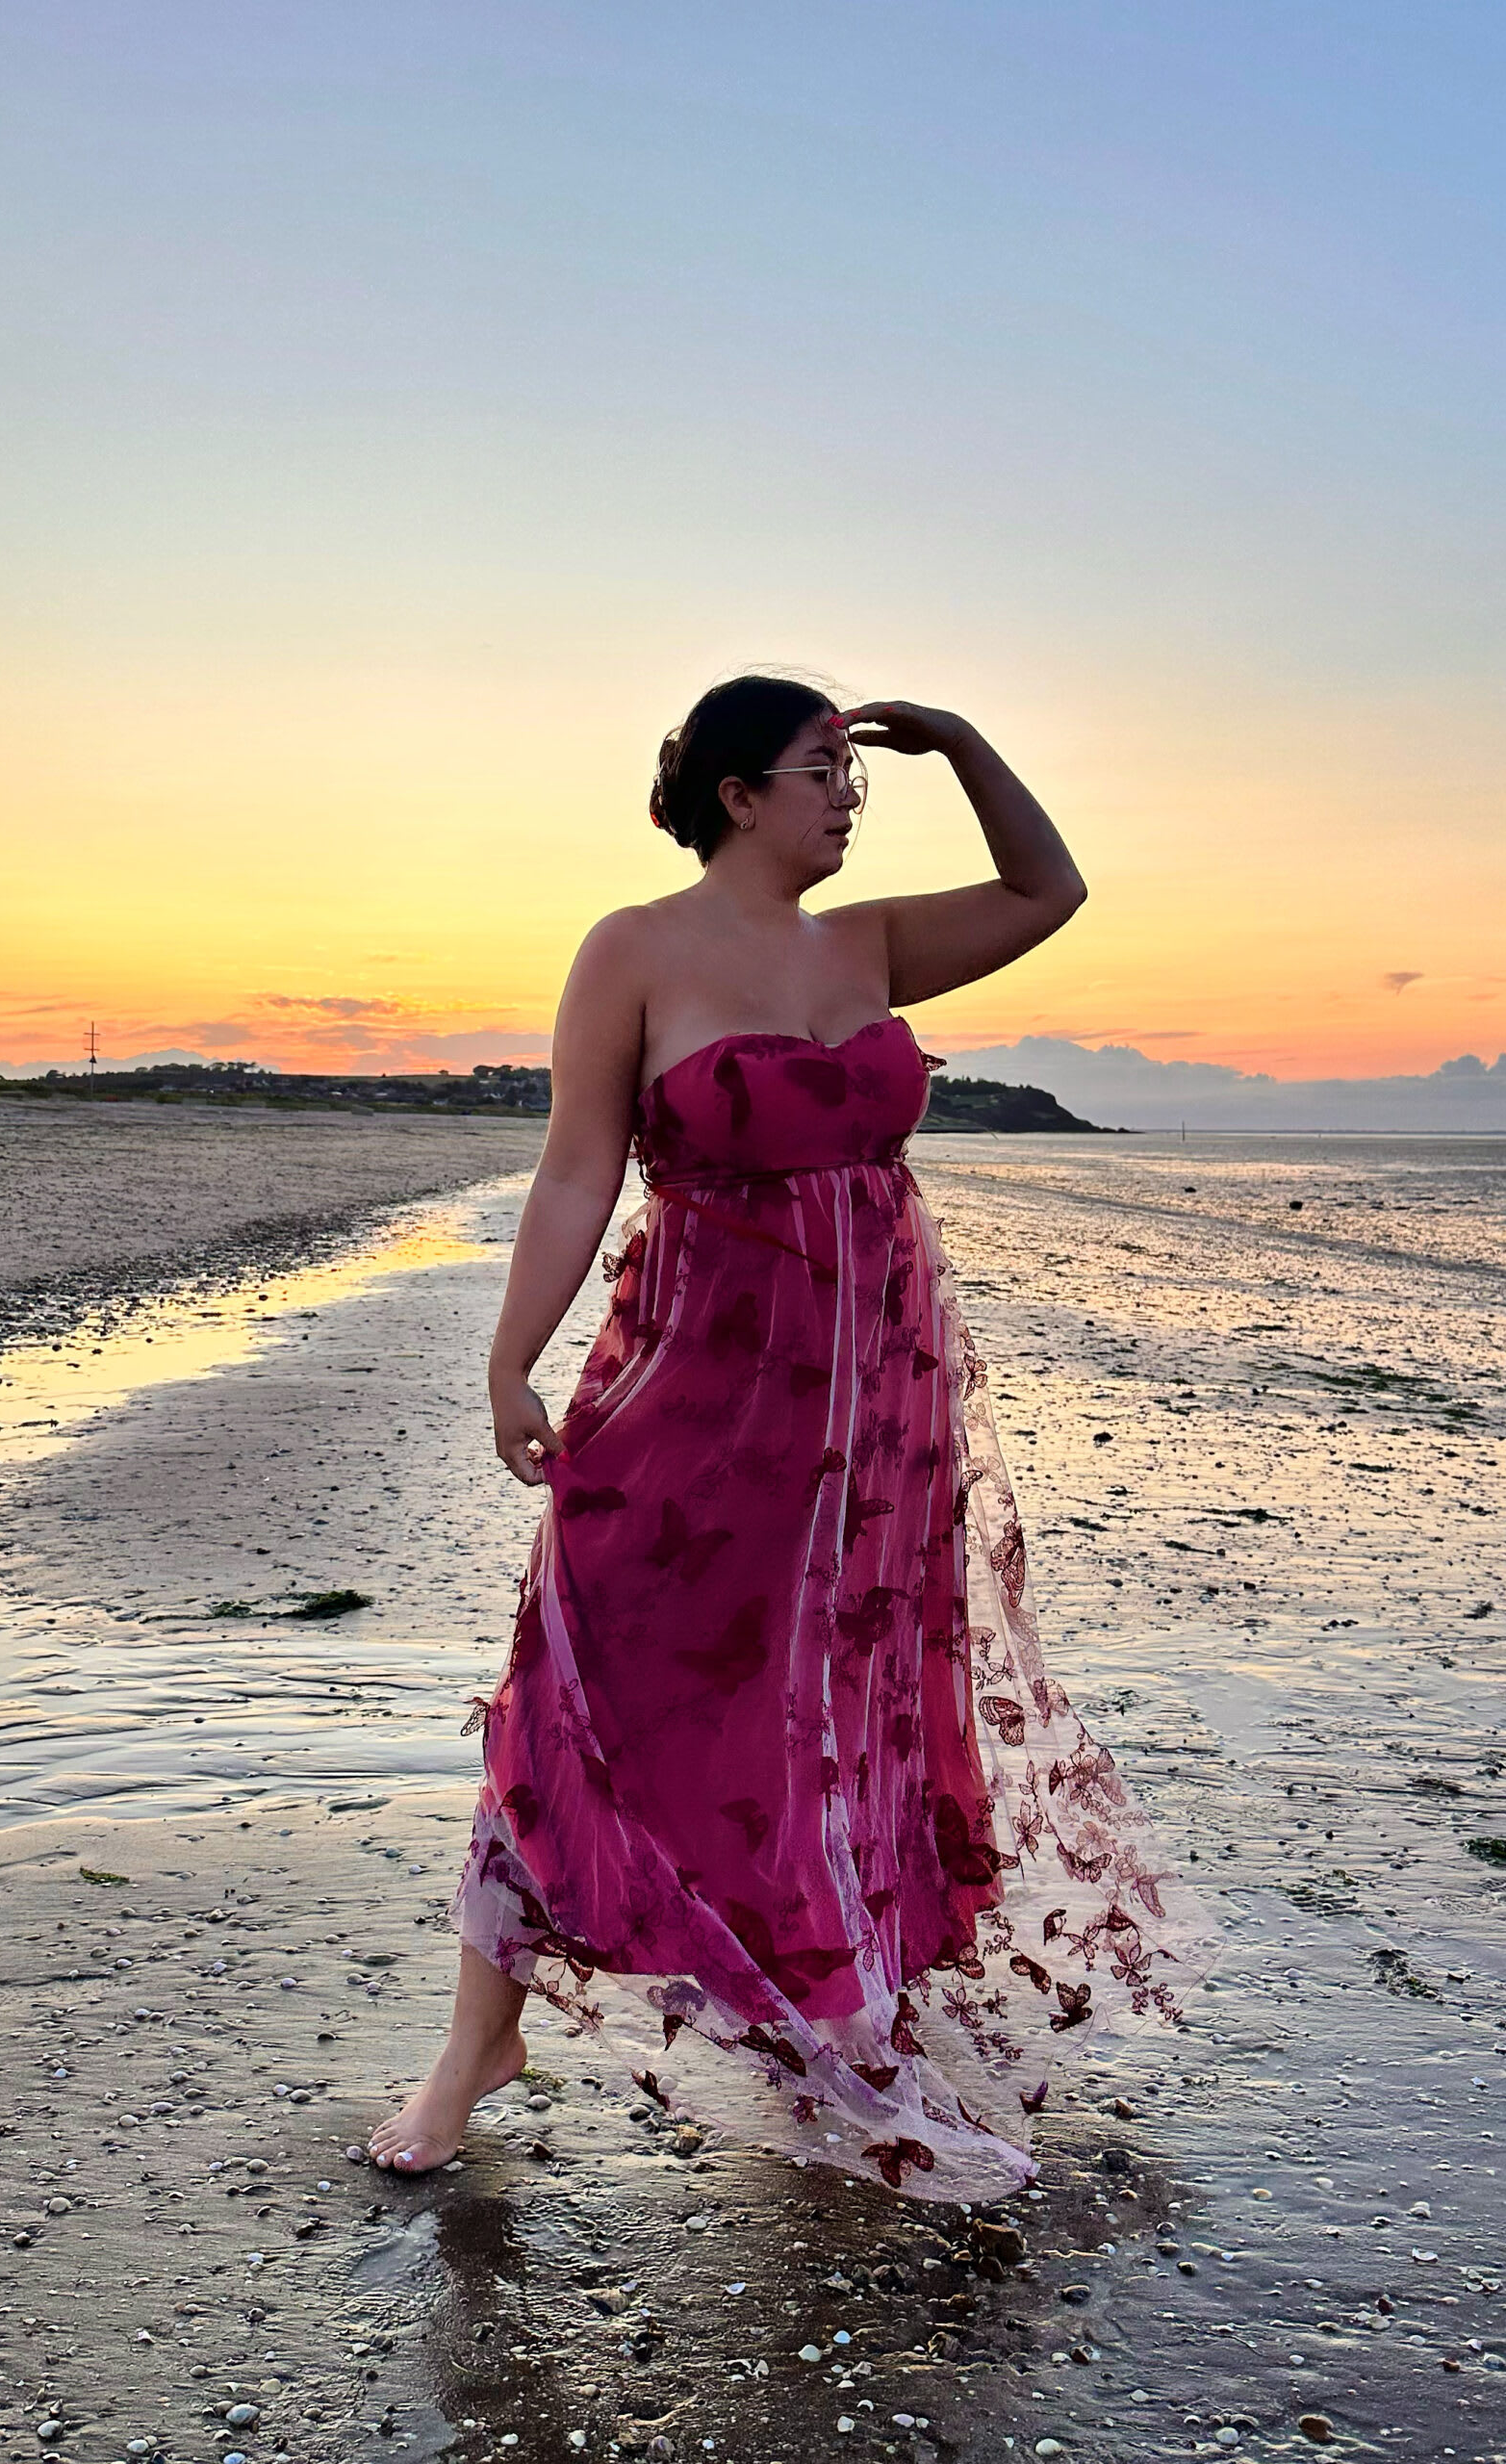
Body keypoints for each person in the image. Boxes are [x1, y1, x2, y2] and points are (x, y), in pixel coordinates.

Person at [370, 676, 1216, 2198]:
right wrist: (513, 1364)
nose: (846, 797)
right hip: (692, 1401)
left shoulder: (871, 944)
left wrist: (957, 744)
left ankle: (837, 2018)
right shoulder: (633, 950)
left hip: (870, 1422)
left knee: (840, 1719)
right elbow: (575, 1173)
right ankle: (472, 2048)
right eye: (822, 773)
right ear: (737, 792)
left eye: (856, 777)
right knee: (585, 1688)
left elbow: (1051, 889)